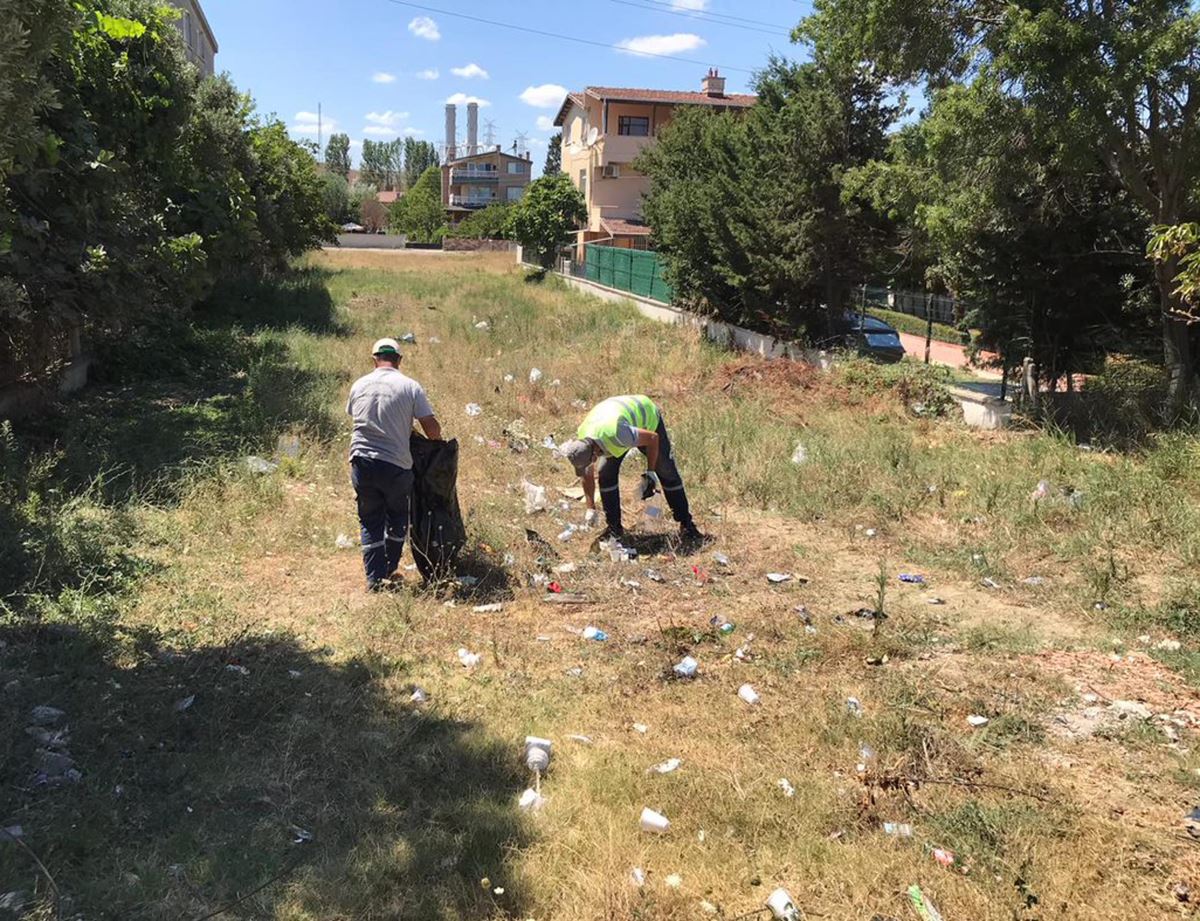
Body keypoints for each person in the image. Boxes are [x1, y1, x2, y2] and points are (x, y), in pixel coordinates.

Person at [346, 337, 441, 591]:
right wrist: (437, 445)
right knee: (398, 516)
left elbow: (356, 416)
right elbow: (430, 427)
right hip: (397, 466)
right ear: (399, 360)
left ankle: (374, 579)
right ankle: (389, 568)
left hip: (362, 463)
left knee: (369, 519)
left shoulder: (358, 385)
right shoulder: (410, 387)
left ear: (374, 359)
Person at [559, 394, 704, 543]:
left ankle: (687, 525)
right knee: (605, 474)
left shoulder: (617, 433)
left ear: (594, 452)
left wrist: (651, 472)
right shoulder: (583, 441)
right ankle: (614, 528)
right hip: (612, 424)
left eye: (591, 461)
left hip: (646, 417)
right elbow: (587, 475)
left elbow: (652, 438)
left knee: (666, 470)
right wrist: (591, 508)